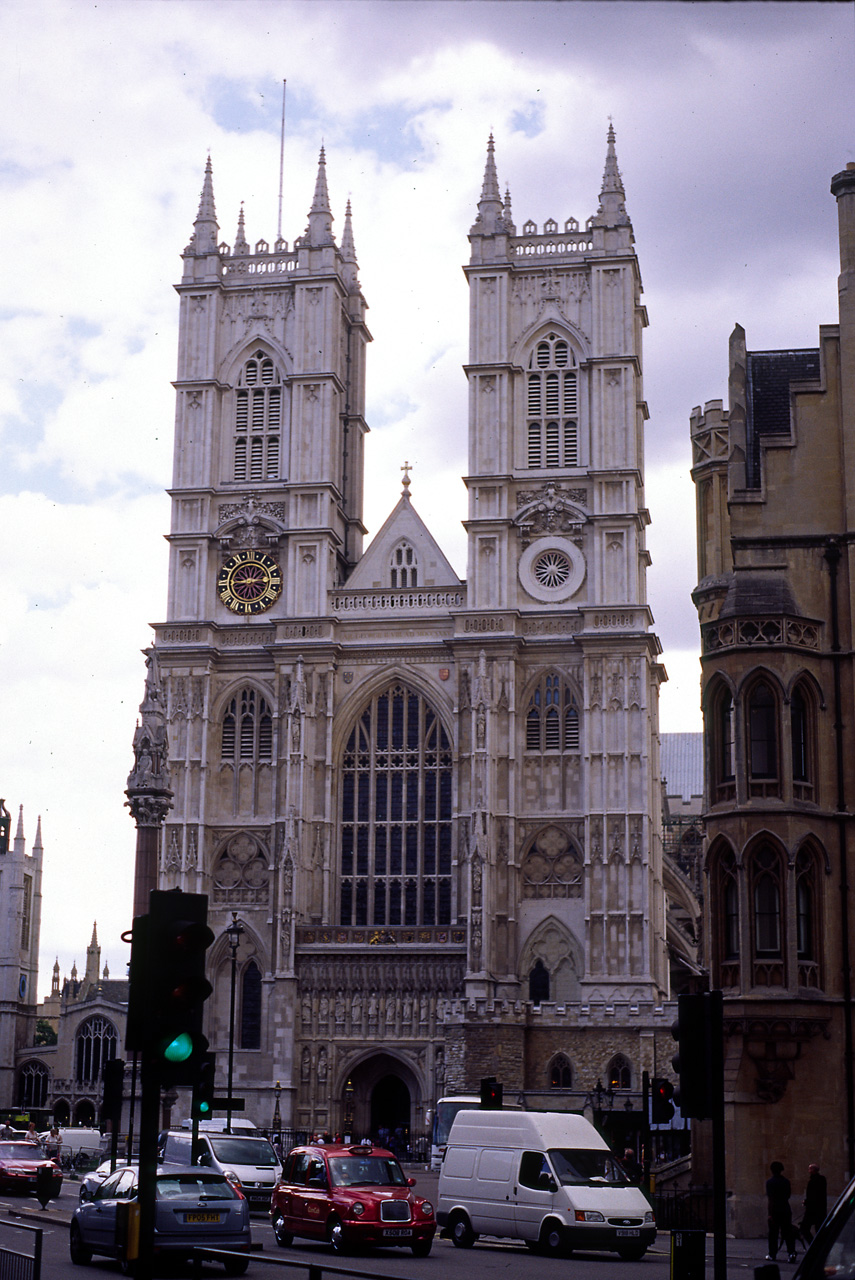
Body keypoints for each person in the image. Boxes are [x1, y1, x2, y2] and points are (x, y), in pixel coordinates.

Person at [766, 1160, 797, 1263]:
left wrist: (770, 1214)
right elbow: (788, 1195)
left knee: (773, 1234)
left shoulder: (770, 1182)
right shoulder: (786, 1182)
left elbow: (770, 1199)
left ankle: (772, 1254)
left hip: (775, 1210)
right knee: (788, 1233)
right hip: (785, 1209)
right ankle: (791, 1253)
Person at [801, 1163, 828, 1242]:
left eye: (810, 1169)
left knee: (804, 1228)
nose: (809, 1171)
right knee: (819, 1229)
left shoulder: (813, 1181)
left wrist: (806, 1202)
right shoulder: (822, 1179)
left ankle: (813, 1245)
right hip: (820, 1209)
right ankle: (818, 1244)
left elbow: (812, 1196)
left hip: (812, 1210)